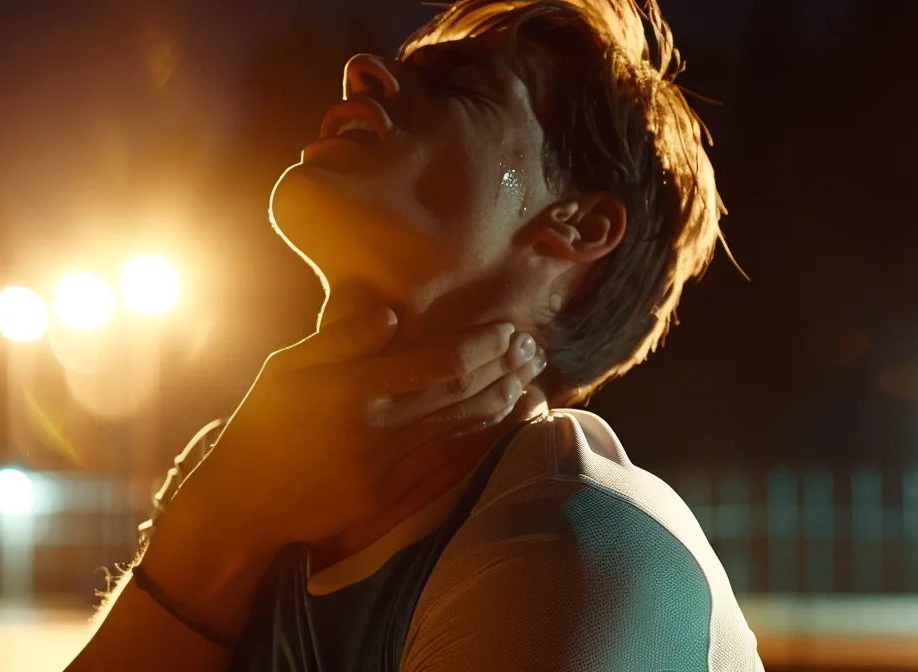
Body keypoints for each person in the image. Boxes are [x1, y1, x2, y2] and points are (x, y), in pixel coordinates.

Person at [69, 0, 762, 669]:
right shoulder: (235, 476)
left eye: (462, 85)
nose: (363, 68)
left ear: (577, 226)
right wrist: (212, 527)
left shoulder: (575, 543)